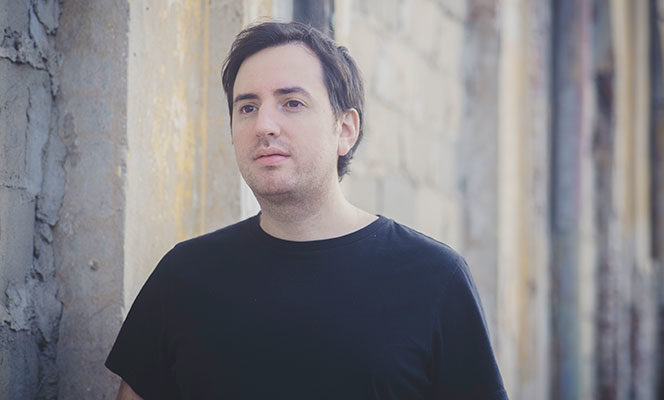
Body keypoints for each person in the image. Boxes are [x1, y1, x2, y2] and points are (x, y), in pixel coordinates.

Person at [106, 21, 508, 400]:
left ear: (345, 130)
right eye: (247, 108)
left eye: (292, 103)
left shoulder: (435, 279)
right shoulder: (183, 276)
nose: (264, 125)